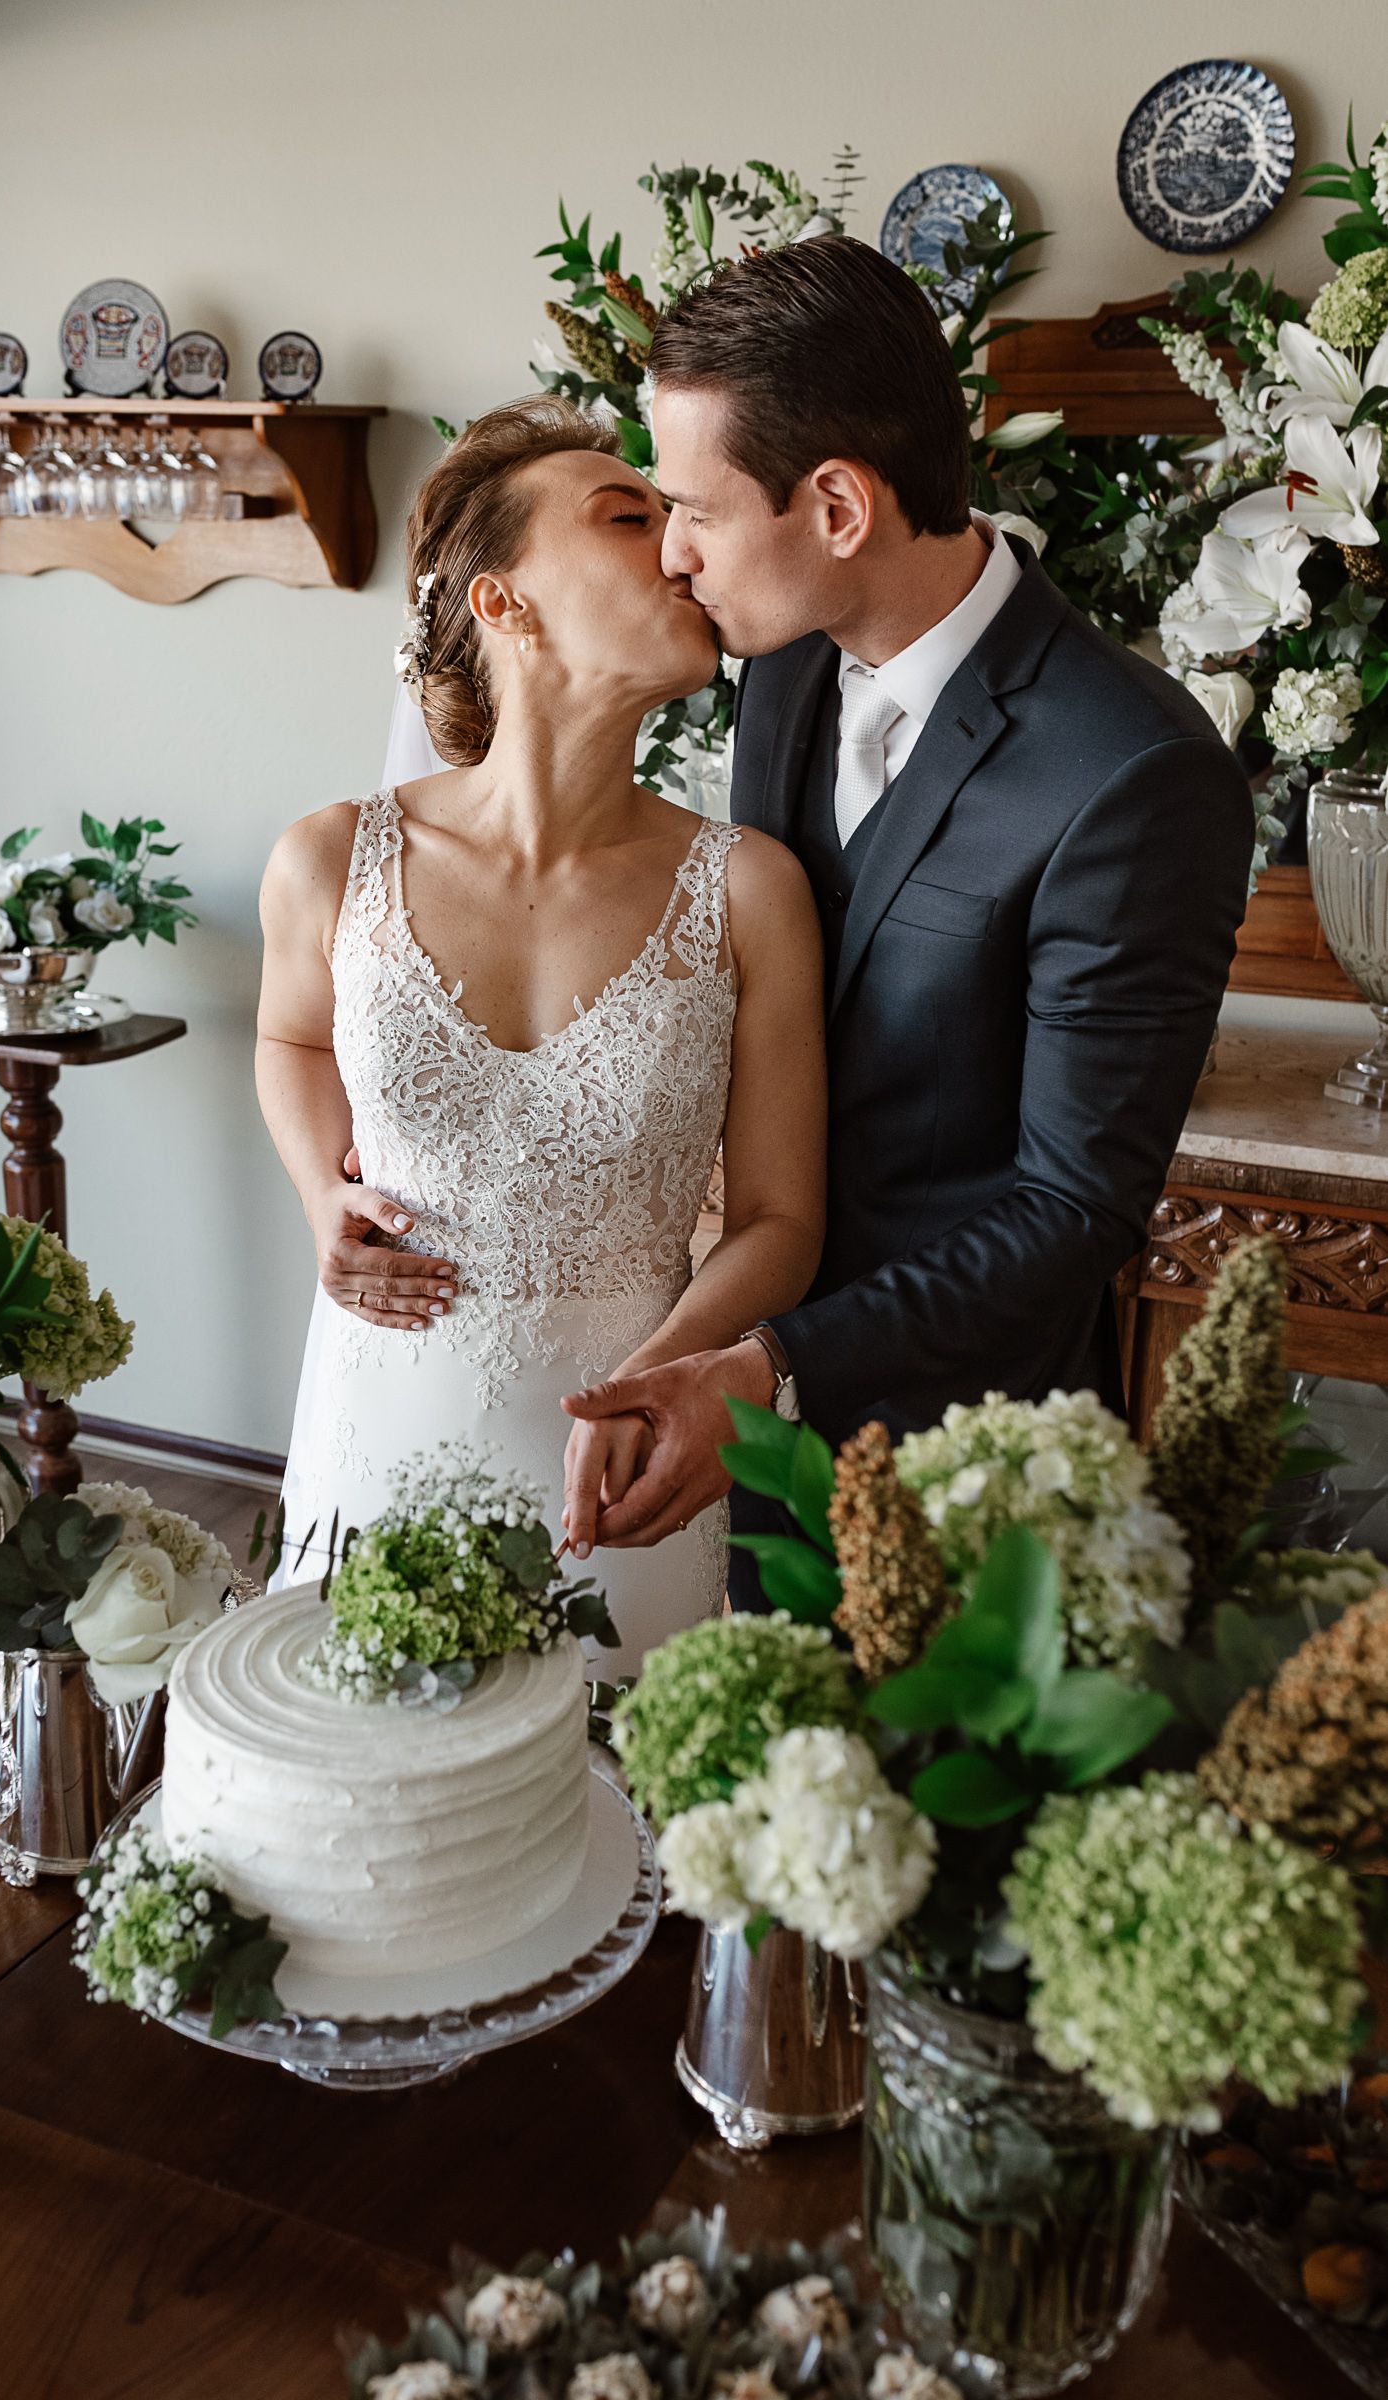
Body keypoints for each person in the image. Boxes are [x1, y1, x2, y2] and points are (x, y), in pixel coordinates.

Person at [560, 235, 1252, 1594]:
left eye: (692, 508)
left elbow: (1068, 1211)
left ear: (833, 508)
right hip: (717, 1411)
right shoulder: (778, 677)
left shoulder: (1132, 772)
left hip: (958, 1480)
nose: (675, 557)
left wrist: (772, 1370)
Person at [256, 395, 825, 1669]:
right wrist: (318, 1198)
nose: (681, 544)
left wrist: (658, 1381)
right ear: (501, 602)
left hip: (627, 1464)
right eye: (631, 515)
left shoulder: (748, 891)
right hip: (378, 1423)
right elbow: (290, 1043)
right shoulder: (330, 860)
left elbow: (783, 1222)